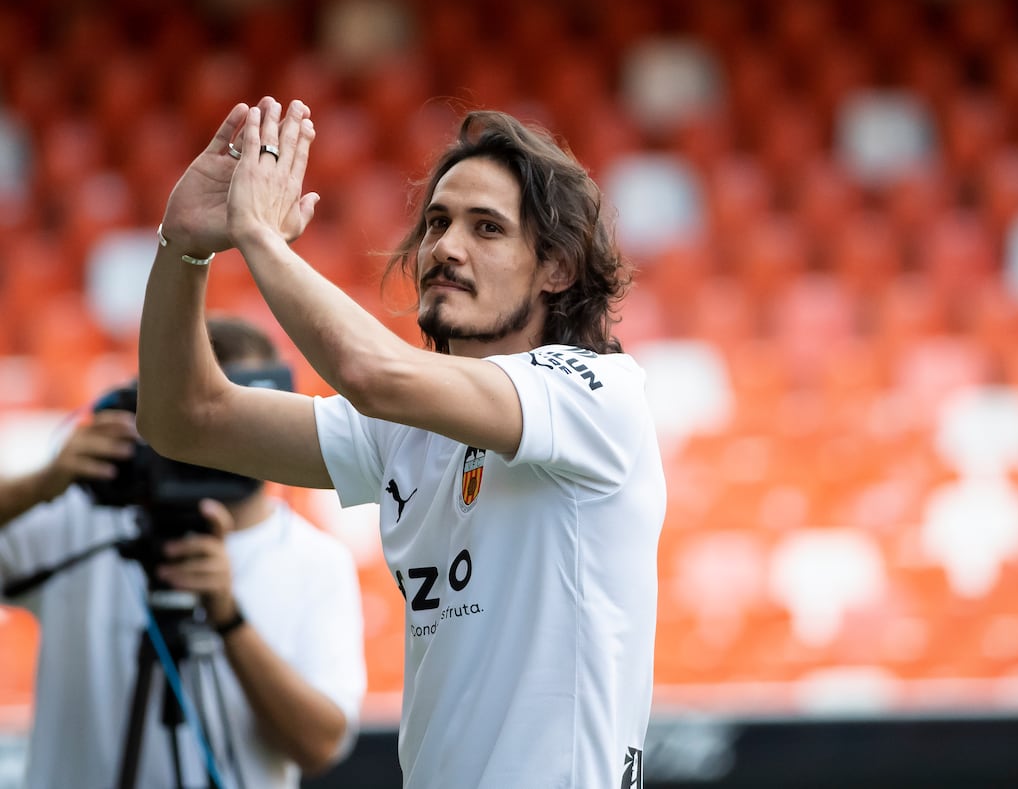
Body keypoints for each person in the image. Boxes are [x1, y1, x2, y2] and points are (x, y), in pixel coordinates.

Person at [135, 97, 666, 788]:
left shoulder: (595, 394)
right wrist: (185, 247)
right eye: (439, 222)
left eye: (487, 228)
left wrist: (260, 235)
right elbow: (184, 417)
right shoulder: (404, 428)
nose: (445, 246)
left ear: (557, 268)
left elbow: (371, 372)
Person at [0, 315, 367, 789]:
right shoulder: (82, 519)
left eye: (236, 411)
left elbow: (319, 745)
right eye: (193, 412)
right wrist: (43, 483)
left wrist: (229, 619)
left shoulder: (316, 560)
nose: (212, 438)